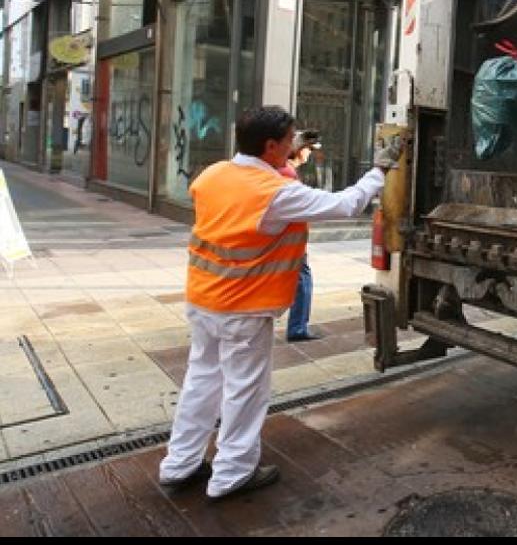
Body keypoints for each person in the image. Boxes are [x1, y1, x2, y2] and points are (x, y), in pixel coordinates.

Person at [158, 106, 402, 500]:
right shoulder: (274, 194)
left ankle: (179, 464)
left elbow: (252, 190)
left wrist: (286, 159)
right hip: (243, 308)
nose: (294, 146)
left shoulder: (214, 174)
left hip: (203, 299)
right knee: (244, 391)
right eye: (288, 141)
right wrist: (380, 170)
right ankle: (232, 474)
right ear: (270, 146)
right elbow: (346, 205)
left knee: (201, 382)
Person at [280, 131, 320, 343]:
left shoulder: (285, 170)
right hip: (291, 241)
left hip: (289, 239)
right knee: (303, 280)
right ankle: (297, 328)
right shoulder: (287, 173)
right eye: (308, 149)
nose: (309, 154)